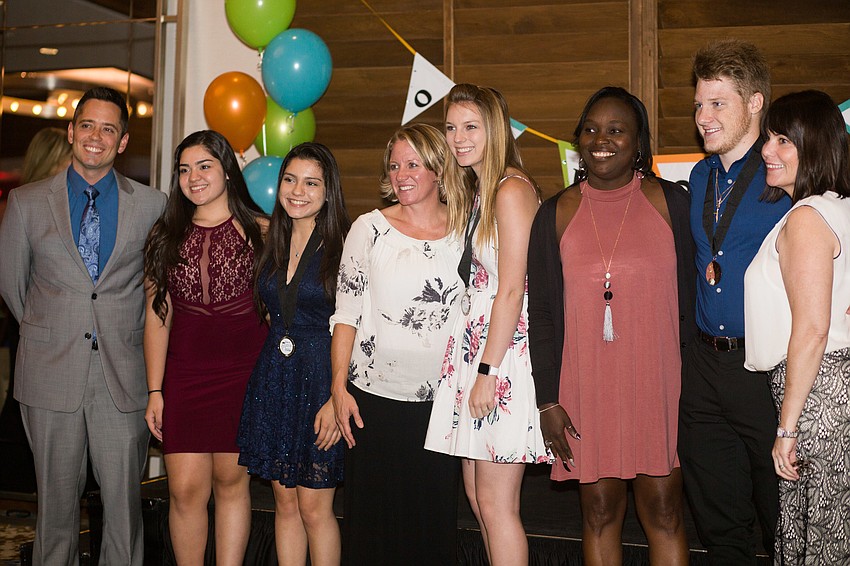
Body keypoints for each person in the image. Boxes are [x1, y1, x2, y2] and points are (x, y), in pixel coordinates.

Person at [526, 86, 696, 565]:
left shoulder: (672, 204)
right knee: (599, 514)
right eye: (591, 129)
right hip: (586, 391)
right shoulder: (554, 213)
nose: (601, 139)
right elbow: (539, 313)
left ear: (639, 142)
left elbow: (695, 297)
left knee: (664, 512)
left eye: (617, 130)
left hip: (659, 388)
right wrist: (547, 400)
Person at [0, 86, 166, 565]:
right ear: (72, 131)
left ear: (122, 141)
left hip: (123, 379)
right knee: (54, 514)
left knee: (123, 511)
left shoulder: (151, 206)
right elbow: (14, 289)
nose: (96, 136)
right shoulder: (27, 203)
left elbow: (157, 295)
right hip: (50, 377)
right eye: (87, 125)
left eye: (108, 129)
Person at [424, 83, 550, 566]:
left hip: (501, 359)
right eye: (452, 127)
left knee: (498, 505)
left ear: (494, 129)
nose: (457, 138)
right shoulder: (483, 189)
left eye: (470, 127)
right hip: (478, 350)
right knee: (479, 500)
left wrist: (487, 372)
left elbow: (514, 290)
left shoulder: (512, 190)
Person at [678, 39, 791, 565]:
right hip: (704, 369)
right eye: (699, 104)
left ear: (754, 103)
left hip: (766, 370)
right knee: (720, 524)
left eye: (718, 103)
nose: (703, 116)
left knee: (784, 520)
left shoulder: (785, 178)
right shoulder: (699, 176)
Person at [331, 123, 463, 565]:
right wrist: (337, 388)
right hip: (373, 404)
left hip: (441, 407)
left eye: (413, 163)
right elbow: (346, 314)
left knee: (432, 529)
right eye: (395, 165)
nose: (402, 173)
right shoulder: (368, 229)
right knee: (372, 534)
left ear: (438, 169)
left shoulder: (467, 231)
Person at [143, 130, 267, 565]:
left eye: (204, 166)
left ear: (227, 170)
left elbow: (277, 314)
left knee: (231, 484)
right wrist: (154, 390)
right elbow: (157, 317)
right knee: (183, 490)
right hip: (185, 376)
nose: (193, 177)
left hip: (243, 375)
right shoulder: (165, 234)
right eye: (183, 169)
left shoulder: (264, 231)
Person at [744, 90, 850, 564]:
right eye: (768, 138)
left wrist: (786, 429)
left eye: (783, 139)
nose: (768, 151)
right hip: (829, 387)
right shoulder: (836, 208)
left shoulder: (808, 217)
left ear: (817, 146)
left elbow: (812, 329)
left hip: (818, 396)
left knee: (822, 541)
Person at [238, 142, 350, 566]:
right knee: (284, 506)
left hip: (322, 382)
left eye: (310, 182)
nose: (297, 190)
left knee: (314, 509)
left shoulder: (345, 246)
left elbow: (357, 328)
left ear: (328, 190)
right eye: (289, 179)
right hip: (275, 381)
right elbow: (272, 312)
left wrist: (336, 397)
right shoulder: (273, 240)